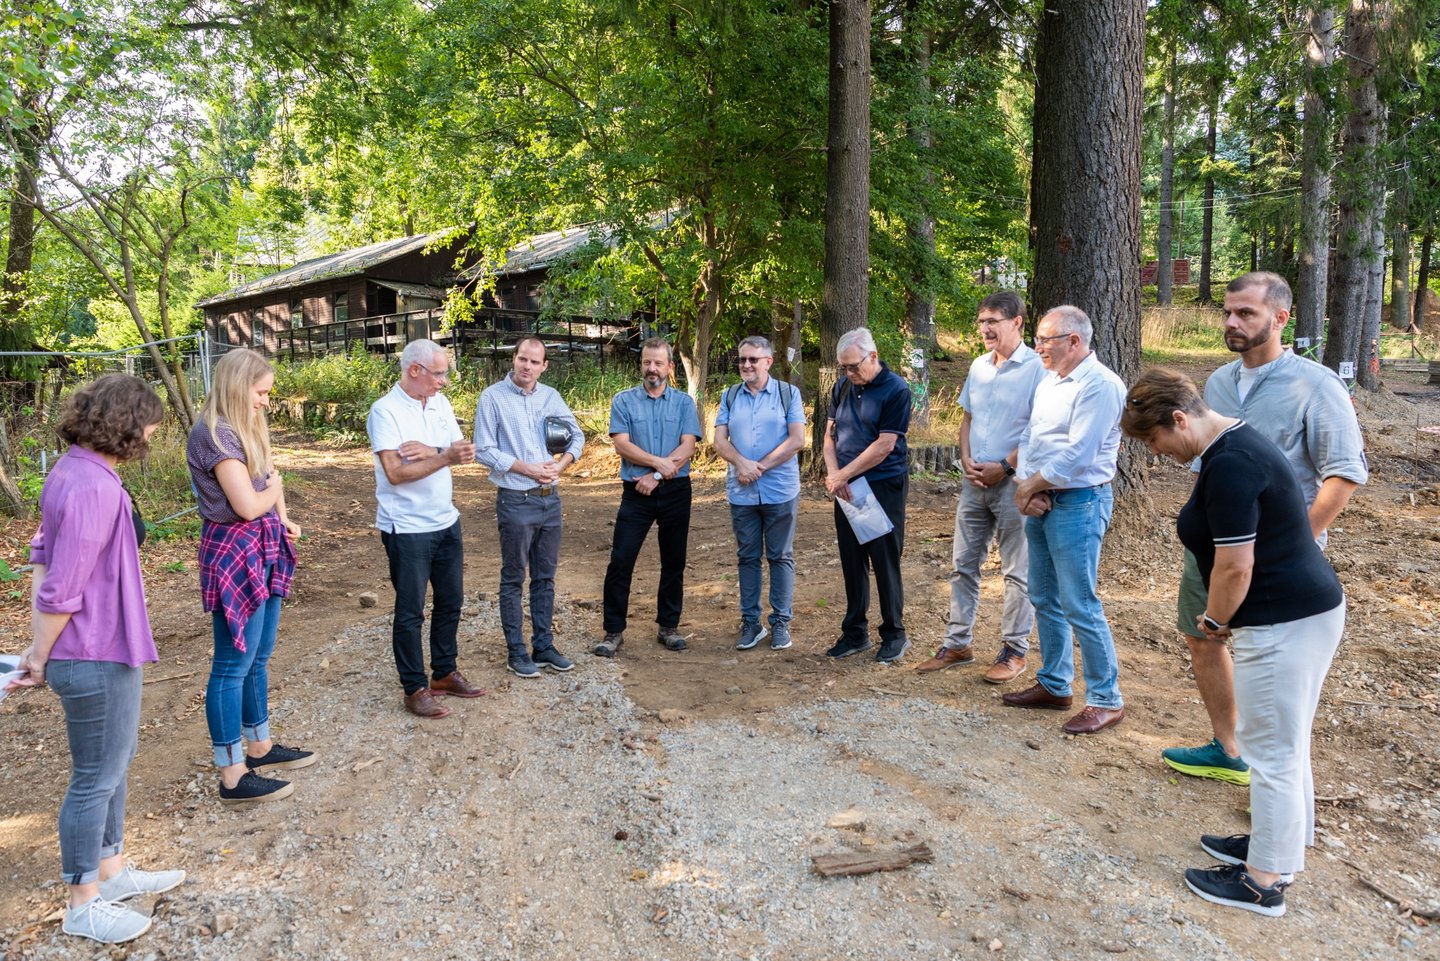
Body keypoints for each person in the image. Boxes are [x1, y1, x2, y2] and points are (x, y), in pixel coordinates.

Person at [1122, 367, 1346, 918]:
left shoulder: (1230, 464)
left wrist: (1216, 620)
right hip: (1302, 610)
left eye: (1154, 439)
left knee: (1269, 751)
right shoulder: (1235, 442)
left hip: (1281, 618)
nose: (1155, 452)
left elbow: (1235, 565)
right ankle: (1280, 845)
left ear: (1180, 419)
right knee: (1286, 742)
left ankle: (1263, 883)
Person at [1162, 272, 1367, 785]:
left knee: (1272, 670)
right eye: (1227, 312)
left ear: (1280, 318)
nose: (1231, 322)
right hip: (1214, 549)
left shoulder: (1317, 385)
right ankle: (1228, 748)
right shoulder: (1218, 384)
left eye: (1246, 313)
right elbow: (1206, 467)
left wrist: (1294, 542)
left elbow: (1343, 475)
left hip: (1277, 563)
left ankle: (1271, 769)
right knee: (1202, 635)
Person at [9, 374, 186, 943]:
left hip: (96, 645)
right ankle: (82, 902)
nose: (154, 433)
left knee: (115, 760)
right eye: (150, 422)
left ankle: (111, 872)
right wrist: (39, 653)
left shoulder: (73, 470)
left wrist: (40, 645)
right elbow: (61, 587)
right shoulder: (93, 486)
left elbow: (41, 556)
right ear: (126, 422)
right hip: (95, 649)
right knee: (96, 776)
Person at [188, 348, 314, 804]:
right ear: (238, 385)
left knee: (258, 655)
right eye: (260, 392)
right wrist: (274, 493)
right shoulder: (214, 434)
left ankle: (259, 747)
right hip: (234, 551)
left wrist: (283, 515)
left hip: (262, 544)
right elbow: (246, 505)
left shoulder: (245, 425)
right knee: (231, 664)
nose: (265, 400)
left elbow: (268, 476)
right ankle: (232, 774)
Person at [1003, 306, 1126, 734]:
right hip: (1041, 498)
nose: (1037, 347)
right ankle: (1055, 684)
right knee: (1043, 595)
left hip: (1079, 502)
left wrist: (1027, 489)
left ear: (1074, 341)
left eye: (1045, 340)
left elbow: (1079, 454)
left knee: (1079, 602)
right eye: (1037, 339)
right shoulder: (1050, 381)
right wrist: (1026, 485)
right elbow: (1030, 437)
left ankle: (1106, 699)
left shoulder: (1101, 385)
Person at [918, 292, 1047, 681]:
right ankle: (958, 644)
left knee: (1017, 571)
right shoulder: (979, 366)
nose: (985, 329)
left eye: (993, 321)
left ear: (1017, 322)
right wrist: (966, 461)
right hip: (974, 482)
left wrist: (1004, 468)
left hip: (1015, 485)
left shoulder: (1037, 369)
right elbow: (967, 419)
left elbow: (1039, 431)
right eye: (981, 322)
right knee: (963, 566)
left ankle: (1014, 651)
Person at [366, 340, 482, 718]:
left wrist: (434, 452)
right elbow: (396, 473)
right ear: (414, 370)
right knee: (410, 610)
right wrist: (444, 455)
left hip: (445, 518)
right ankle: (414, 687)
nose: (444, 381)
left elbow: (462, 452)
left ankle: (444, 673)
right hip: (407, 526)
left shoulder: (439, 403)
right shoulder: (385, 411)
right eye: (439, 373)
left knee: (451, 601)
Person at [473, 336, 585, 678]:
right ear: (514, 359)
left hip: (550, 498)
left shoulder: (551, 396)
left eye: (535, 362)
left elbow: (577, 436)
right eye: (523, 358)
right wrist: (528, 469)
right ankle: (516, 652)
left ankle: (543, 645)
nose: (527, 366)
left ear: (544, 366)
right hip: (516, 498)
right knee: (513, 577)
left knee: (545, 577)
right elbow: (483, 450)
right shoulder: (492, 397)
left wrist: (560, 465)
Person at [594, 338, 702, 656]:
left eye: (658, 363)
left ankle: (668, 627)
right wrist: (657, 464)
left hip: (675, 491)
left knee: (674, 561)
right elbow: (622, 445)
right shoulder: (624, 401)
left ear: (670, 366)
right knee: (621, 560)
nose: (651, 368)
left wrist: (654, 476)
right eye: (646, 362)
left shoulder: (684, 403)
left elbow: (688, 446)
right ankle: (613, 631)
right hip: (635, 493)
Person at [823, 327, 913, 664]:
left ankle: (894, 633)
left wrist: (843, 475)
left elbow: (885, 445)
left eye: (853, 366)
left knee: (884, 560)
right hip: (846, 487)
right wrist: (835, 475)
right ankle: (855, 632)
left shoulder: (896, 389)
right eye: (843, 367)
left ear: (872, 356)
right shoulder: (842, 386)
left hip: (881, 485)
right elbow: (829, 436)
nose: (848, 373)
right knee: (852, 559)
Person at [713, 335, 807, 652]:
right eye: (742, 359)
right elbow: (719, 441)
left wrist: (759, 467)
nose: (747, 365)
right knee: (747, 557)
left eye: (753, 359)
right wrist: (742, 464)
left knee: (780, 556)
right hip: (742, 493)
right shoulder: (729, 396)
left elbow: (797, 440)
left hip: (779, 491)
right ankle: (751, 623)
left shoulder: (787, 394)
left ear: (768, 361)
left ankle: (780, 622)